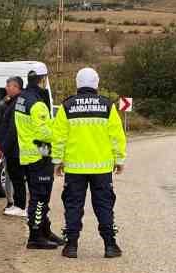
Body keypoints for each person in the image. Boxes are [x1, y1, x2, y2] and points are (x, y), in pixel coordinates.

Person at [51, 66, 126, 258]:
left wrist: (57, 161)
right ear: (96, 83)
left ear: (77, 84)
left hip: (74, 168)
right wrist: (119, 159)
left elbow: (59, 137)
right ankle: (110, 245)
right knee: (104, 205)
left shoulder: (67, 106)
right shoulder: (107, 106)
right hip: (101, 168)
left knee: (73, 206)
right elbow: (117, 136)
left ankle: (71, 246)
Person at [13, 63, 62, 249]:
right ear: (42, 79)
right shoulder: (37, 103)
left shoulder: (22, 98)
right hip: (39, 153)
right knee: (40, 197)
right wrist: (59, 133)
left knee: (40, 195)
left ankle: (44, 230)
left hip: (28, 152)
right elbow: (43, 133)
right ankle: (35, 236)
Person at [0, 75, 26, 217]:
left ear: (16, 87)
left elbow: (13, 128)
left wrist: (4, 147)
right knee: (14, 176)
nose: (6, 88)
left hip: (15, 148)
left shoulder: (18, 103)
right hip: (12, 147)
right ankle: (17, 204)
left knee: (17, 178)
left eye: (8, 86)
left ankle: (20, 205)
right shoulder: (11, 102)